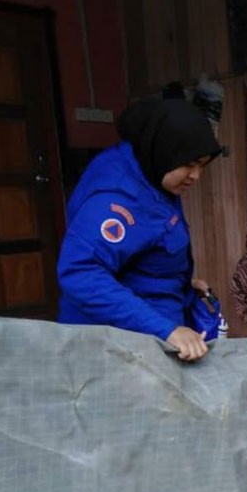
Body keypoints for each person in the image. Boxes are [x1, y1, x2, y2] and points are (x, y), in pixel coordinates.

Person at [57, 98, 224, 361]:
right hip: (117, 350)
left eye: (202, 165)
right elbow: (81, 273)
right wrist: (167, 330)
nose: (196, 176)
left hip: (152, 336)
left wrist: (179, 283)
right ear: (164, 151)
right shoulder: (115, 201)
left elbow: (143, 249)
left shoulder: (154, 172)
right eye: (189, 165)